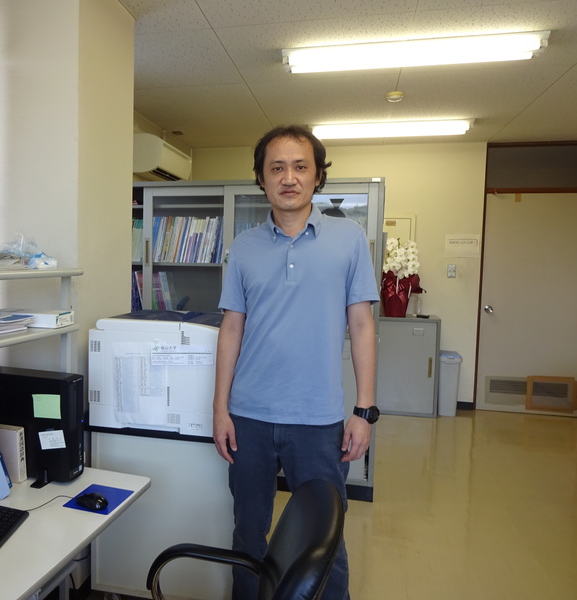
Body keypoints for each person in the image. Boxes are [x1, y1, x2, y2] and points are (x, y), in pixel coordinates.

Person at [212, 125, 380, 600]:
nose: (289, 178)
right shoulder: (244, 247)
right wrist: (220, 409)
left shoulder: (349, 239)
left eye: (300, 167)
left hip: (318, 419)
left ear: (318, 176)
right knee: (247, 532)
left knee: (325, 540)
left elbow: (362, 326)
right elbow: (231, 329)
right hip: (248, 417)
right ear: (261, 179)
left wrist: (364, 411)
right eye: (277, 168)